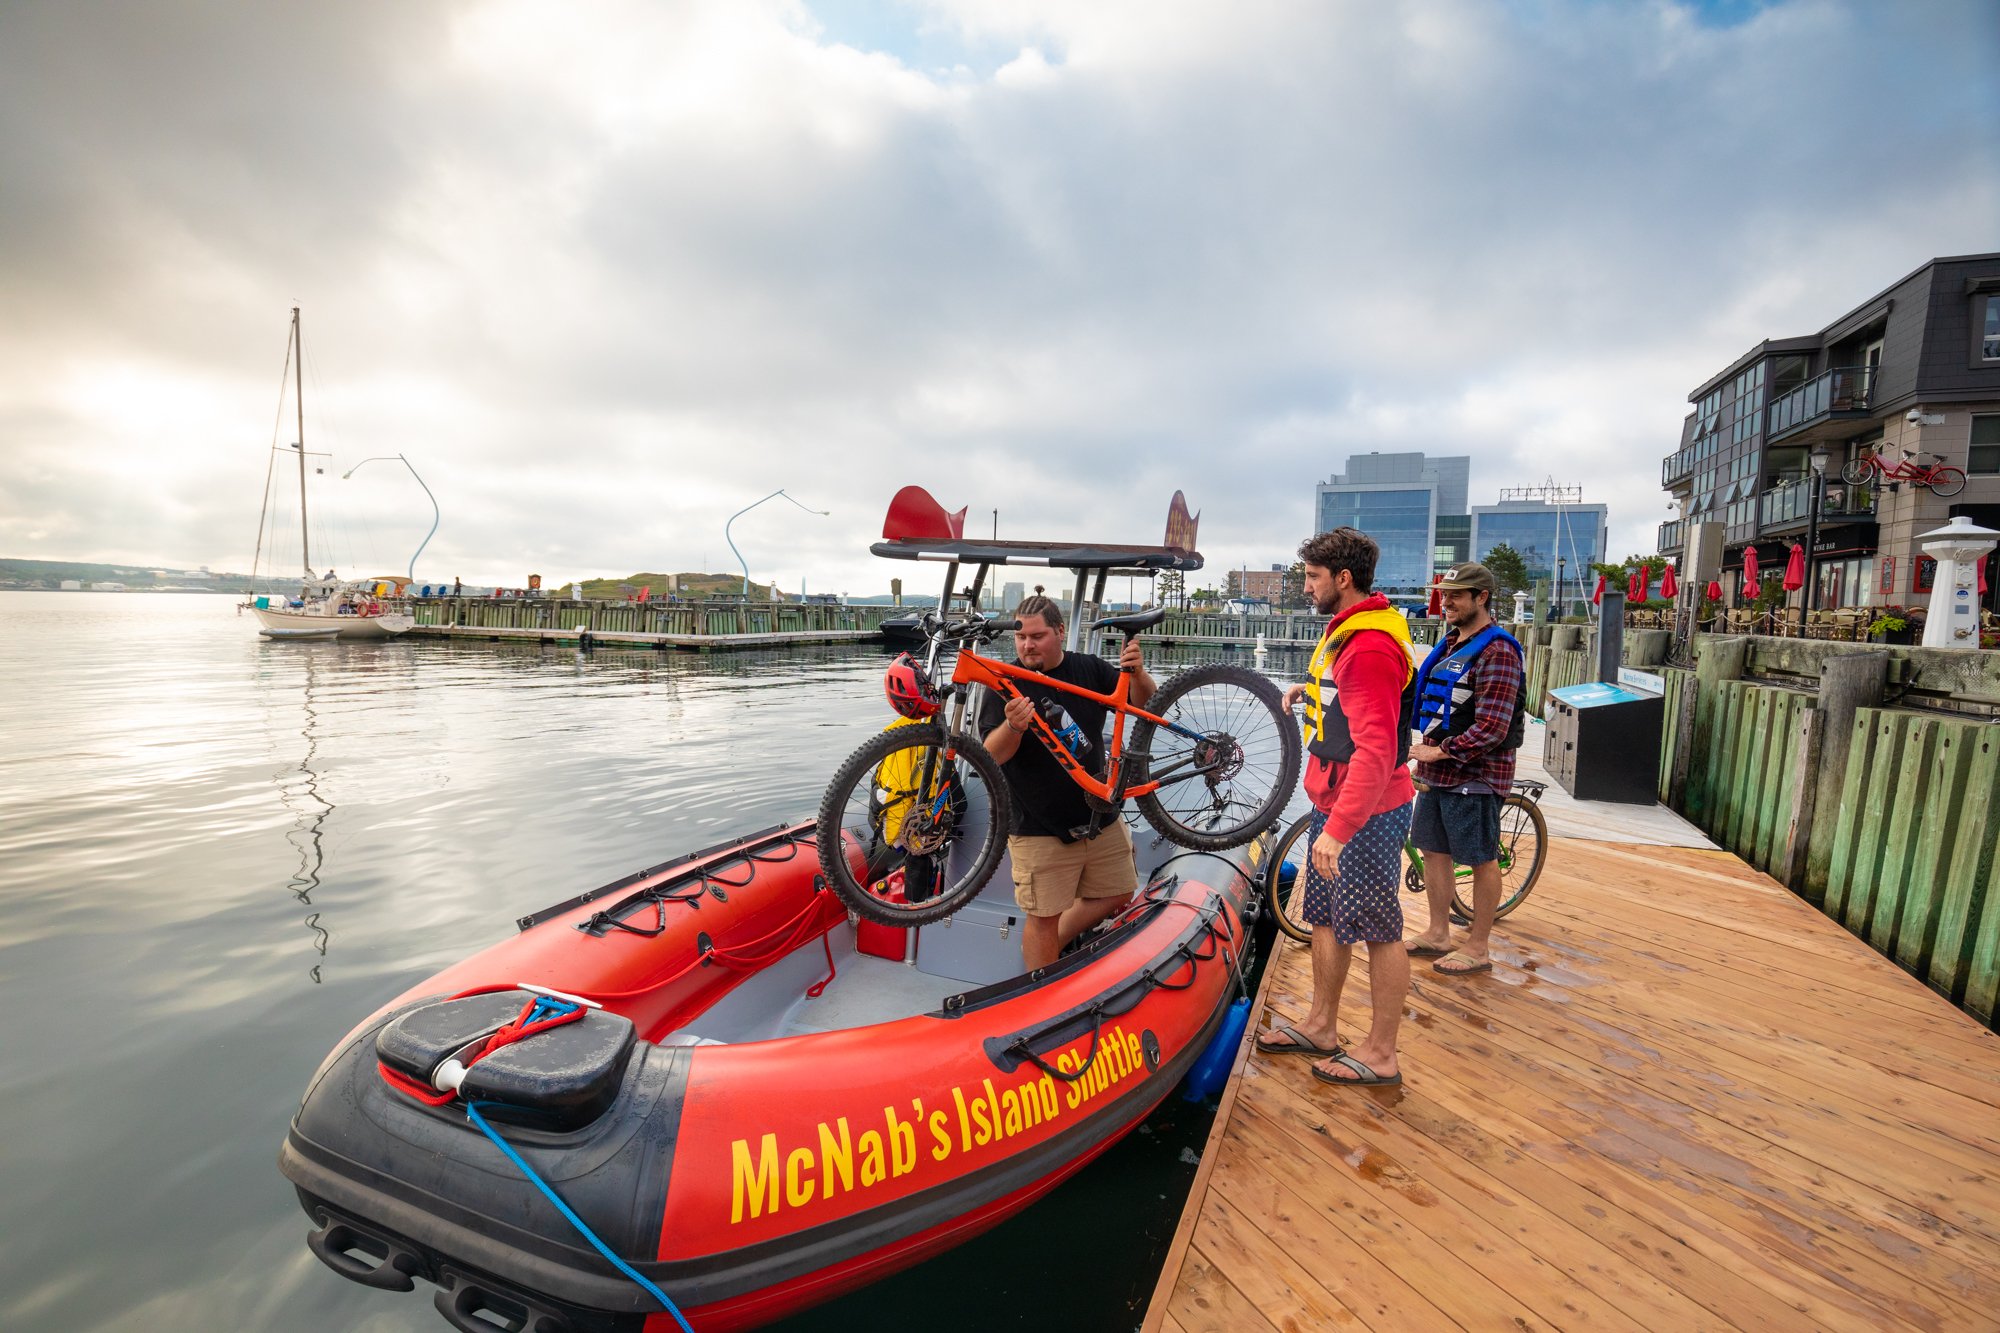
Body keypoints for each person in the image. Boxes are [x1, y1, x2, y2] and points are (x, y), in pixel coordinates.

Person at [1254, 528, 1416, 1088]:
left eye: (1313, 577)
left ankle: (1380, 1053)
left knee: (1378, 928)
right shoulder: (1350, 634)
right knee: (1323, 916)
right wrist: (1311, 691)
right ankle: (1322, 1025)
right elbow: (1353, 703)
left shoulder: (1368, 647)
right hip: (1336, 804)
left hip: (1365, 812)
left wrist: (1340, 830)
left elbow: (1375, 750)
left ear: (1342, 579)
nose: (1306, 587)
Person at [978, 591, 1156, 971]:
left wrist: (1137, 673)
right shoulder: (1004, 682)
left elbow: (1145, 706)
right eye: (1021, 637)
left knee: (1120, 891)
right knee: (1042, 917)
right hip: (1037, 824)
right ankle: (1038, 995)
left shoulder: (1089, 669)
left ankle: (1054, 948)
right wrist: (1013, 726)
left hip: (1098, 816)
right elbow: (991, 754)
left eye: (1037, 636)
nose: (1027, 644)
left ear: (1060, 632)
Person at [1404, 562, 1526, 976]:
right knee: (1433, 850)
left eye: (1456, 594)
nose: (1447, 601)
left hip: (1475, 773)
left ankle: (1478, 946)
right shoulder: (1454, 643)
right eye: (1444, 593)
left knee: (1480, 858)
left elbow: (1492, 726)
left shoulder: (1498, 651)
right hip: (1437, 771)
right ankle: (1439, 932)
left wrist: (1443, 751)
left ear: (1482, 597)